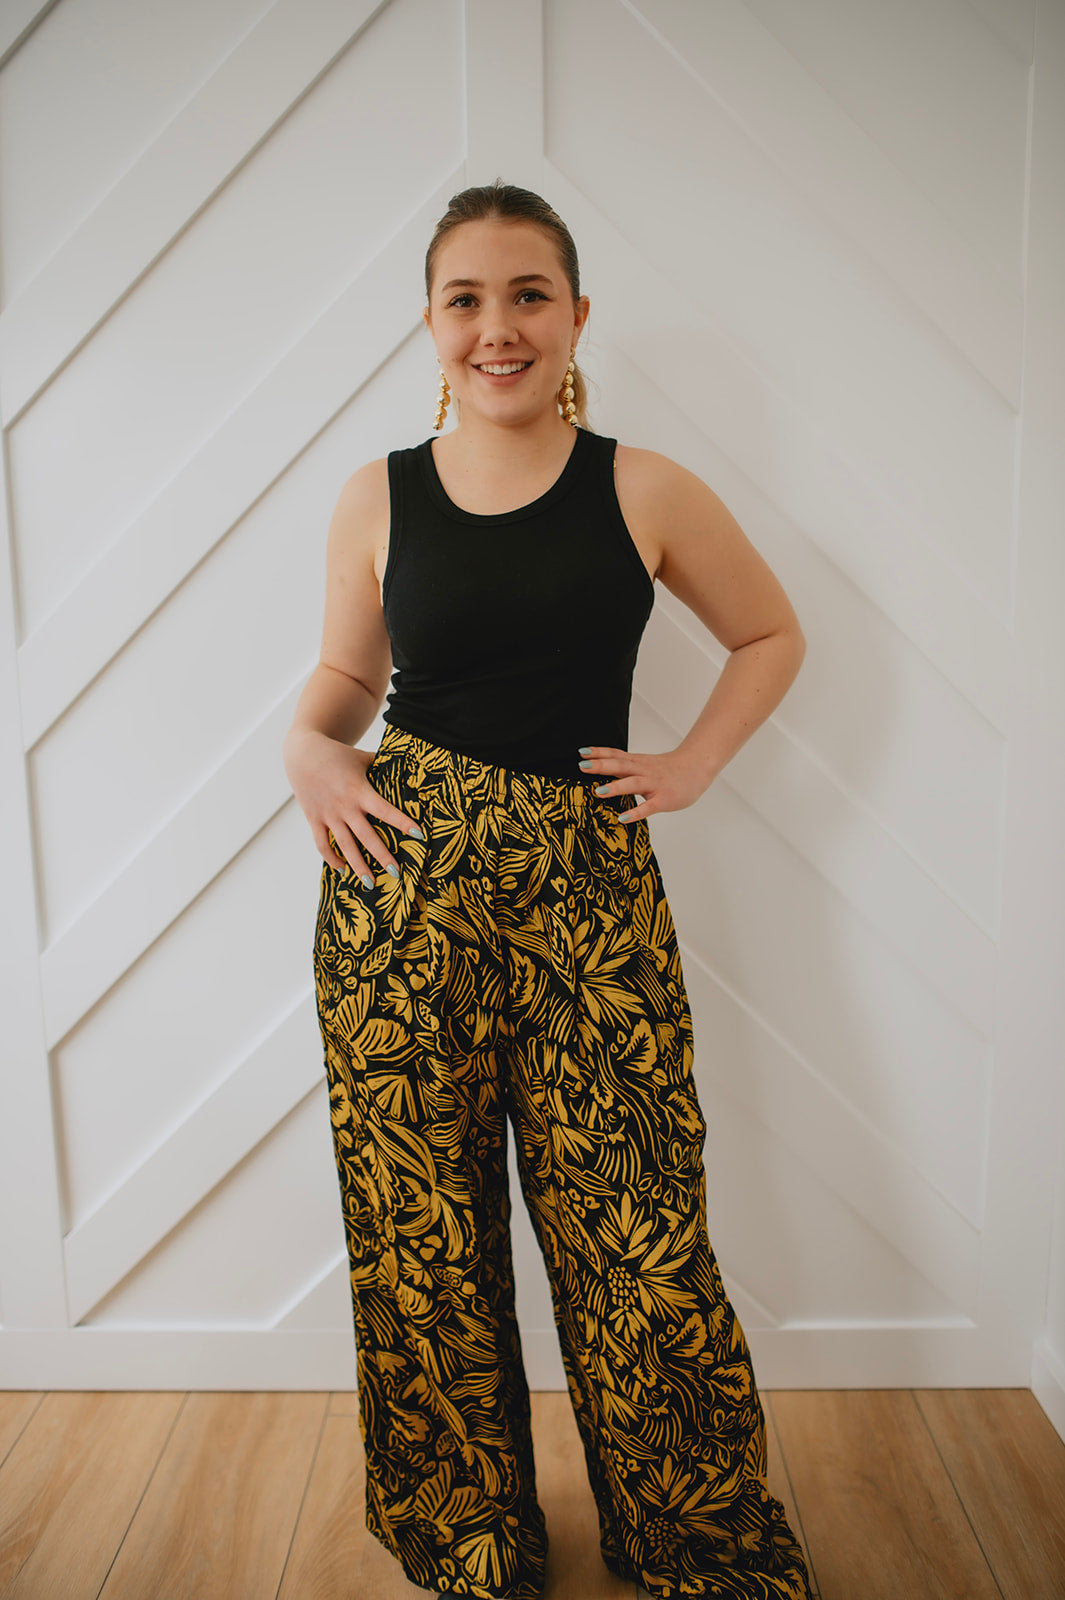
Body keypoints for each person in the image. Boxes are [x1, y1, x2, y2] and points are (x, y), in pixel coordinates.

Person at [283, 180, 812, 1600]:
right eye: (466, 298)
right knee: (423, 1236)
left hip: (591, 900)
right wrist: (306, 751)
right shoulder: (377, 494)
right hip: (401, 895)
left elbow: (768, 631)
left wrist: (693, 762)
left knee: (639, 1233)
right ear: (430, 321)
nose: (497, 327)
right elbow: (344, 679)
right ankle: (468, 1541)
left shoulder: (644, 488)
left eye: (528, 295)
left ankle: (694, 1540)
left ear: (576, 315)